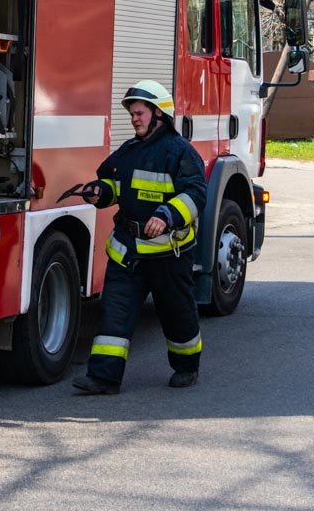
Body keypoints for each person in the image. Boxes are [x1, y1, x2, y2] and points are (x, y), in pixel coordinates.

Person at [71, 80, 207, 395]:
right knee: (115, 313)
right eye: (132, 113)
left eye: (140, 112)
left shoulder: (180, 152)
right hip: (128, 251)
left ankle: (187, 366)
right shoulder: (129, 151)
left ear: (159, 114)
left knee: (177, 313)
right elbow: (115, 185)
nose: (135, 118)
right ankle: (103, 377)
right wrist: (100, 191)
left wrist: (166, 216)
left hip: (168, 254)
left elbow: (195, 194)